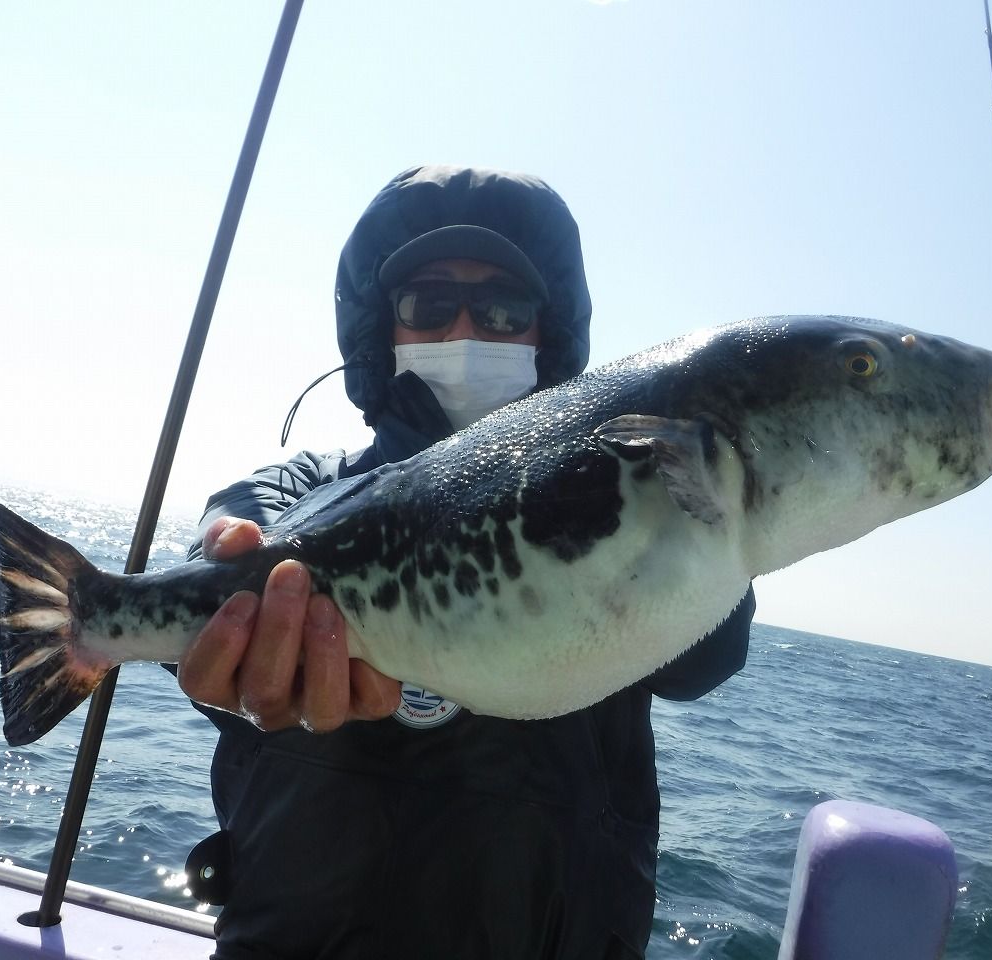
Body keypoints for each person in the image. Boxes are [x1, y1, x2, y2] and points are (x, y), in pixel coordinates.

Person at [176, 164, 755, 960]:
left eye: (504, 310)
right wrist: (237, 621)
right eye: (428, 305)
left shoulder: (623, 496)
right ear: (382, 329)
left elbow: (706, 661)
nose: (463, 333)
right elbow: (226, 550)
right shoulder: (306, 488)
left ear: (548, 337)